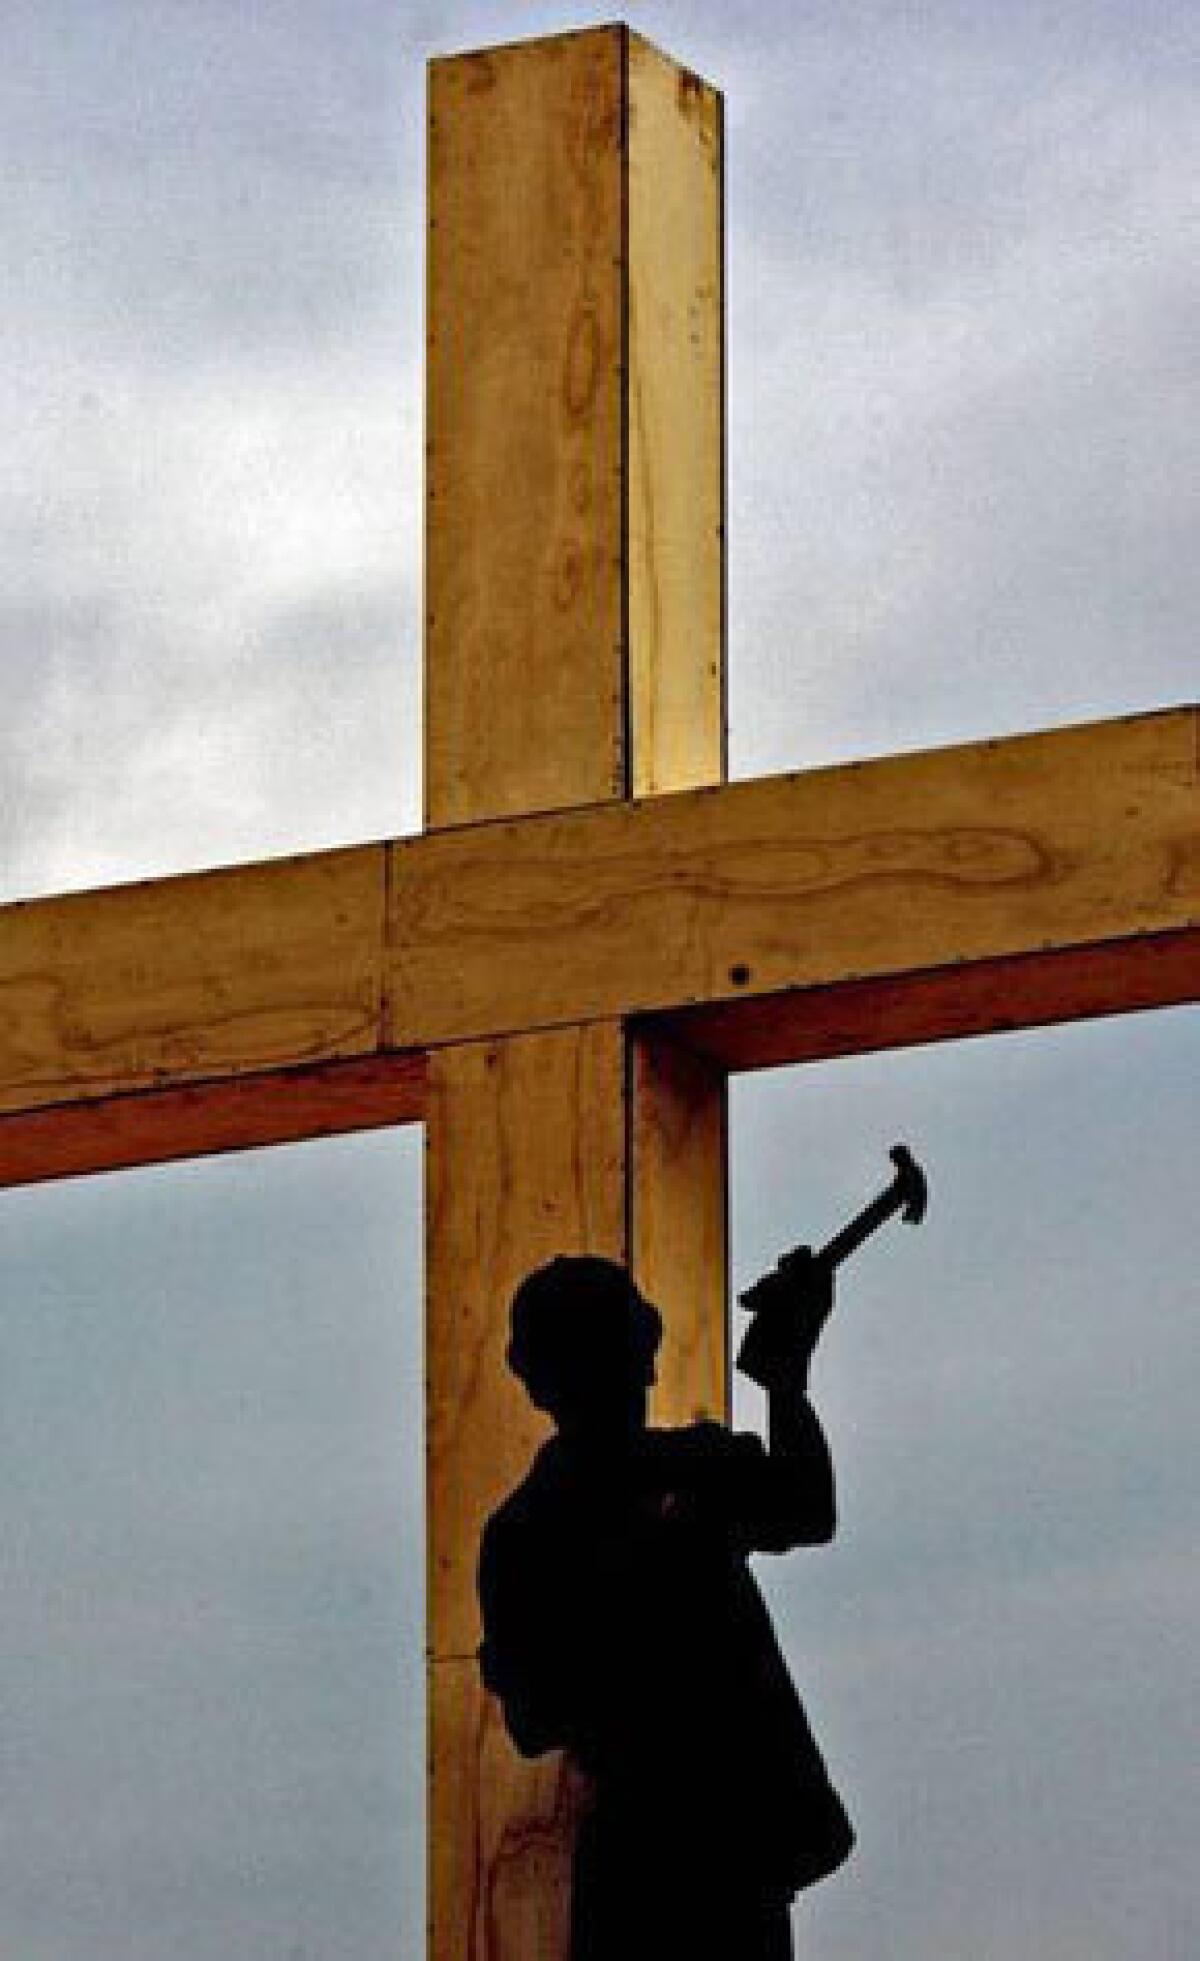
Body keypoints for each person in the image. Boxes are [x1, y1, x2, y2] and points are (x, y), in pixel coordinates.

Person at [477, 1253, 854, 1961]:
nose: (648, 1375)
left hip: (689, 1856)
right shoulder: (551, 1525)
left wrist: (784, 1375)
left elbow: (806, 1507)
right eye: (630, 1354)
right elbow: (535, 1716)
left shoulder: (530, 1529)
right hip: (678, 1858)